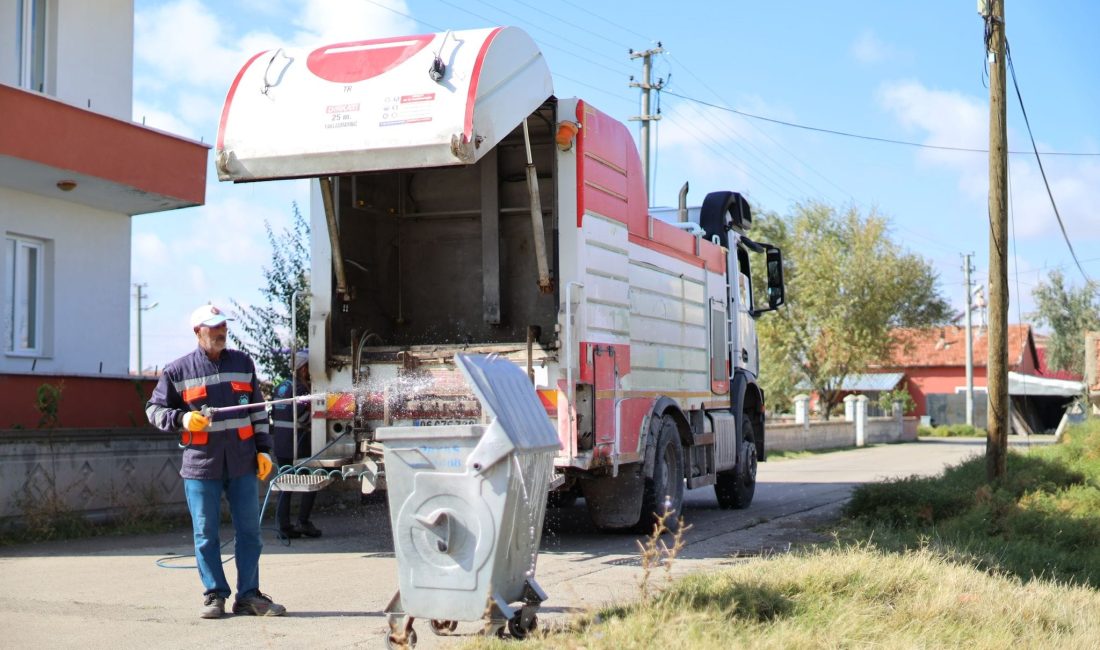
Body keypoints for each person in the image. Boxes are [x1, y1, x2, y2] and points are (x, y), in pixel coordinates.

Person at [146, 304, 286, 620]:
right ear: (198, 332)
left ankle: (248, 596)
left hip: (243, 463)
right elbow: (153, 410)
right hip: (201, 466)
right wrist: (182, 419)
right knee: (206, 533)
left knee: (250, 532)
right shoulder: (177, 370)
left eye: (223, 325)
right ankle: (214, 595)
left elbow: (258, 411)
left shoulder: (242, 363)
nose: (221, 331)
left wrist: (264, 450)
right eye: (213, 327)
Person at [272, 350, 322, 539]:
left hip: (281, 443)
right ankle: (303, 522)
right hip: (298, 443)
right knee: (311, 479)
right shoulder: (300, 390)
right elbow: (304, 417)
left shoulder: (280, 386)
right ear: (303, 368)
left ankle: (283, 526)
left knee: (285, 484)